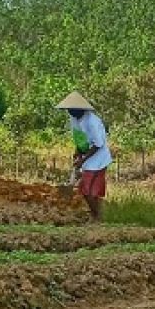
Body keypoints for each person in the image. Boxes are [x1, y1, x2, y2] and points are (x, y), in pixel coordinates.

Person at [55, 92, 113, 222]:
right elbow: (79, 138)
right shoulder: (74, 119)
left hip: (98, 159)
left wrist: (83, 160)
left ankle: (97, 217)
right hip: (86, 157)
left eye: (72, 109)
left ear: (80, 109)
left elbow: (98, 144)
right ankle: (96, 216)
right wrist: (77, 153)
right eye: (68, 109)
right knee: (88, 192)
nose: (69, 112)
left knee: (88, 191)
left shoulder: (92, 122)